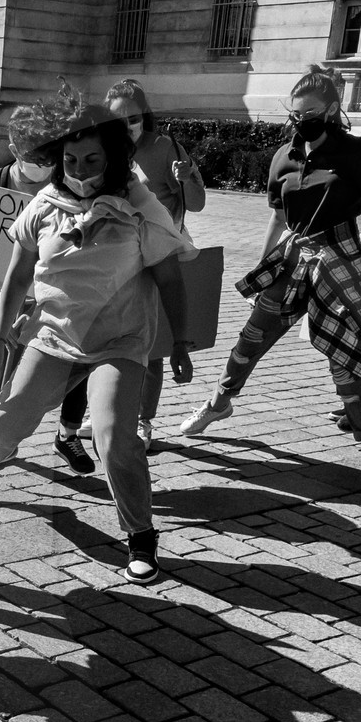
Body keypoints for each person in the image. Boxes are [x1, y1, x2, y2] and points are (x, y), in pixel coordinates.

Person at [0, 101, 194, 584]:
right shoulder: (43, 205)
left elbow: (170, 280)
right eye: (70, 160)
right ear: (56, 157)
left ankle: (141, 536)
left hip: (120, 341)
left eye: (91, 160)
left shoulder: (140, 209)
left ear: (112, 158)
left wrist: (182, 344)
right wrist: (0, 338)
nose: (80, 170)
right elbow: (17, 274)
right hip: (53, 335)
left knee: (112, 436)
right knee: (9, 421)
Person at [180, 66, 361, 508]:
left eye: (310, 112)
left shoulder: (357, 152)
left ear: (331, 110)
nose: (301, 119)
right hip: (293, 258)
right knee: (250, 339)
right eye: (295, 111)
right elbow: (279, 216)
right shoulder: (283, 157)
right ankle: (218, 402)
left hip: (340, 259)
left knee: (347, 362)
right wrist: (265, 262)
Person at [0, 122, 94, 475]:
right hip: (12, 303)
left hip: (58, 301)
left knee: (76, 367)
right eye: (34, 157)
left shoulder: (67, 184)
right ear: (14, 149)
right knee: (2, 371)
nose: (43, 164)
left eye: (48, 156)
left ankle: (68, 434)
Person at [106, 79, 207, 453]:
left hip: (158, 255)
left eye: (133, 118)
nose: (126, 126)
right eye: (117, 119)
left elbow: (196, 203)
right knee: (112, 336)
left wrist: (188, 178)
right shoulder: (106, 150)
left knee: (152, 346)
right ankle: (105, 413)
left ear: (144, 116)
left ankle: (142, 421)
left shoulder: (165, 149)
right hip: (117, 256)